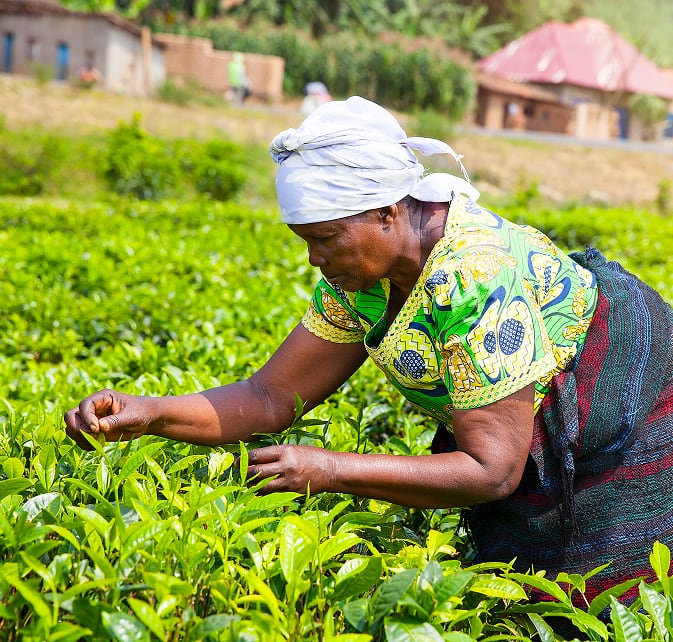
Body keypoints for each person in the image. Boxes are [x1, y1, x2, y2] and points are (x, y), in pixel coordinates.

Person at [65, 96, 673, 609]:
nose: (314, 260)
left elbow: (492, 470)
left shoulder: (473, 278)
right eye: (307, 241)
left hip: (628, 420)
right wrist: (148, 414)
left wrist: (328, 469)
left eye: (326, 238)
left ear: (386, 213)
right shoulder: (358, 283)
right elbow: (269, 396)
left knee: (602, 596)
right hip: (530, 438)